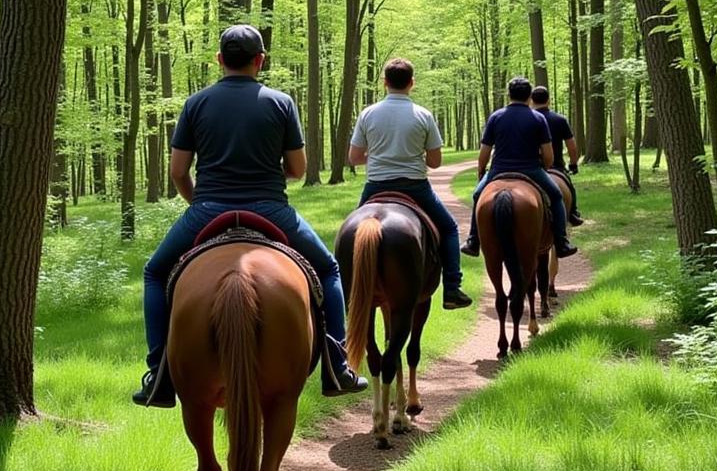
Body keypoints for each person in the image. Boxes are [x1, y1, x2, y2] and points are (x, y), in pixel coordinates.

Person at [133, 24, 368, 408]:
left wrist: (198, 202)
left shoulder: (196, 103)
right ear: (260, 61)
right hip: (271, 209)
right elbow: (297, 167)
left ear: (220, 60)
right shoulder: (281, 102)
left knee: (155, 273)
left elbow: (178, 171)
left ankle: (158, 373)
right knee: (328, 270)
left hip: (207, 208)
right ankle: (337, 366)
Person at [348, 58, 473, 309]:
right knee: (448, 228)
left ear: (385, 83)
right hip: (415, 188)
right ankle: (451, 289)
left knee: (349, 233)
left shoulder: (368, 114)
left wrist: (378, 155)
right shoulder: (423, 115)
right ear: (411, 83)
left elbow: (354, 158)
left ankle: (347, 294)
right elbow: (435, 162)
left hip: (376, 187)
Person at [459, 76, 578, 259]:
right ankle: (561, 242)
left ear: (509, 94)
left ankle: (473, 240)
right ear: (529, 96)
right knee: (556, 196)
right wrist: (544, 168)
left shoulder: (496, 117)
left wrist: (482, 171)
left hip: (498, 170)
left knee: (477, 195)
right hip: (531, 169)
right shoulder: (538, 118)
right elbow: (548, 155)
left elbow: (484, 152)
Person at [530, 85, 584, 226]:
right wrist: (573, 163)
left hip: (529, 165)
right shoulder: (559, 119)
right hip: (555, 166)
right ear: (548, 100)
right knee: (568, 188)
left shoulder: (527, 119)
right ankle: (572, 213)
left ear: (531, 101)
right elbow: (571, 146)